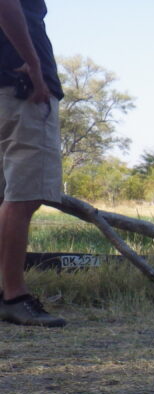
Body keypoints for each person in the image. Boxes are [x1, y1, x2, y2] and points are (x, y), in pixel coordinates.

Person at [0, 0, 65, 327]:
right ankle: (13, 296)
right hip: (21, 90)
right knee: (24, 196)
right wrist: (34, 65)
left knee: (10, 196)